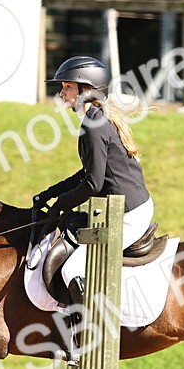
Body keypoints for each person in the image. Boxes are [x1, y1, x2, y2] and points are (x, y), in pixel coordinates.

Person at [33, 56, 153, 308]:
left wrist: (59, 206)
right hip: (125, 207)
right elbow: (87, 173)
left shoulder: (94, 126)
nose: (61, 92)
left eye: (67, 87)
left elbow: (93, 184)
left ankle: (88, 332)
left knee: (74, 268)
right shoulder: (94, 119)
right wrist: (51, 193)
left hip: (130, 214)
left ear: (85, 90)